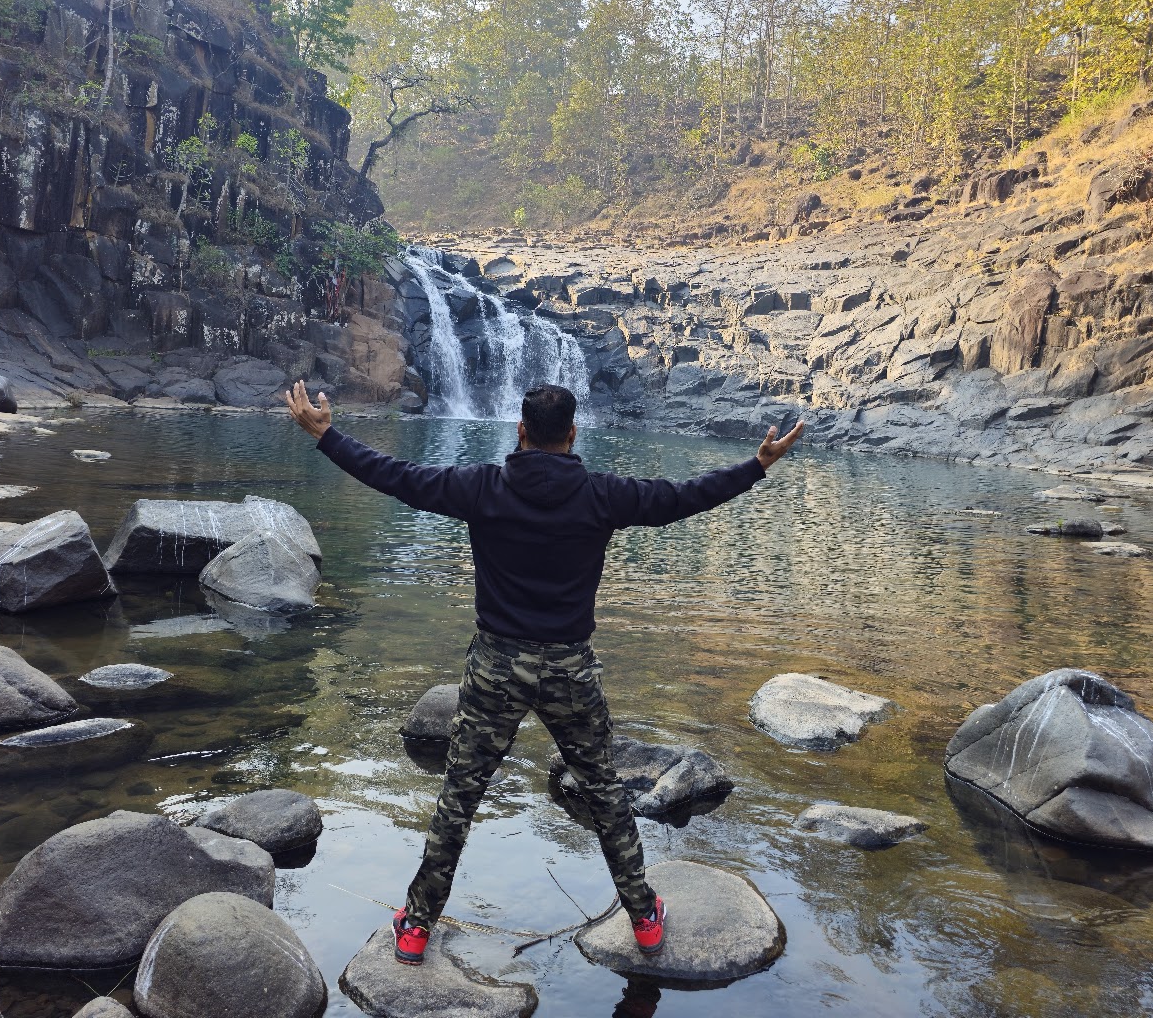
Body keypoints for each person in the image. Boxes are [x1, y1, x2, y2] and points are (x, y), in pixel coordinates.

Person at [284, 379, 804, 965]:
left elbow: (395, 475)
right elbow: (684, 497)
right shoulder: (604, 495)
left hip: (496, 667)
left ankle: (417, 926)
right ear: (573, 434)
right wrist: (758, 464)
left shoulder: (481, 487)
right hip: (570, 670)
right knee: (605, 793)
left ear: (521, 431)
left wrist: (326, 434)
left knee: (461, 795)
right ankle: (644, 919)